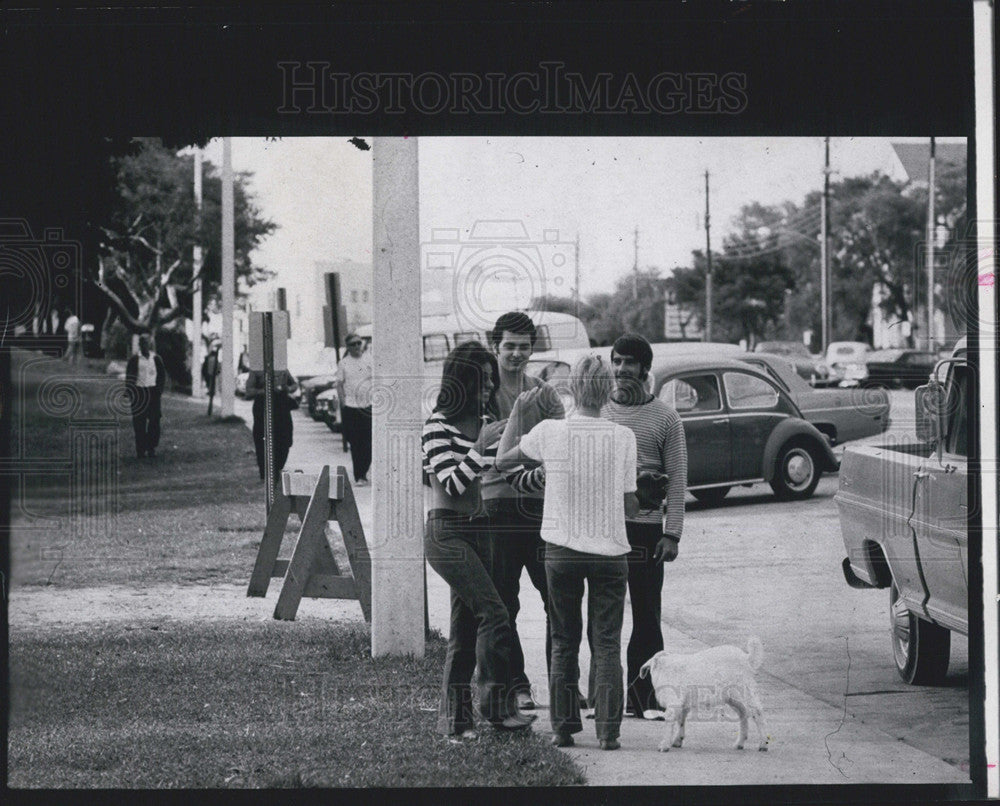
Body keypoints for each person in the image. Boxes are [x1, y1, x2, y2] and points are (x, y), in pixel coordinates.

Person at [497, 355, 639, 750]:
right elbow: (631, 505)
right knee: (607, 642)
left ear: (572, 389)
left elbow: (501, 460)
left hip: (560, 550)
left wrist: (516, 413)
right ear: (609, 390)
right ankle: (608, 732)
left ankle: (563, 728)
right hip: (611, 553)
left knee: (563, 639)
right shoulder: (623, 437)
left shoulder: (550, 432)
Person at [422, 341, 536, 738]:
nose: (488, 388)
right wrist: (480, 445)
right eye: (481, 380)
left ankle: (455, 723)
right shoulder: (437, 425)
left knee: (466, 629)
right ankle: (497, 708)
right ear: (461, 381)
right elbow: (452, 481)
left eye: (491, 381)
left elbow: (499, 473)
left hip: (481, 526)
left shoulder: (484, 420)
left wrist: (532, 473)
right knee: (496, 613)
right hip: (447, 532)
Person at [600, 333, 688, 718]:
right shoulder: (598, 411)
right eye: (617, 361)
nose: (622, 370)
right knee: (603, 616)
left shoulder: (666, 417)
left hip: (647, 530)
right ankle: (603, 697)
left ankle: (643, 698)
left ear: (645, 369)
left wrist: (673, 532)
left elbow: (679, 478)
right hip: (602, 530)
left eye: (630, 363)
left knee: (647, 614)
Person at [481, 311, 565, 711]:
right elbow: (480, 449)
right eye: (509, 346)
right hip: (494, 507)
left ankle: (564, 682)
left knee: (557, 598)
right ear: (494, 345)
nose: (516, 353)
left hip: (541, 508)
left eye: (524, 346)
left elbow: (561, 446)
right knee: (504, 603)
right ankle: (516, 684)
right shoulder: (481, 391)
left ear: (534, 348)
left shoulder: (544, 392)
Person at [245, 366, 299, 484]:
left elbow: (294, 385)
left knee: (285, 438)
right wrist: (266, 390)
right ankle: (265, 472)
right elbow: (249, 390)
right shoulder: (256, 369)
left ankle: (278, 467)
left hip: (281, 404)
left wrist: (287, 388)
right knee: (262, 437)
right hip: (262, 404)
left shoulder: (282, 367)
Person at [335, 333, 373, 486]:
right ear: (348, 347)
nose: (357, 347)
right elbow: (339, 384)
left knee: (368, 442)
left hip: (367, 406)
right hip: (351, 407)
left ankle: (364, 470)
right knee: (355, 442)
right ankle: (360, 475)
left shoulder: (369, 359)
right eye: (353, 344)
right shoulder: (344, 363)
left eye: (359, 343)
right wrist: (343, 401)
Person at [125, 334, 166, 458]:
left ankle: (151, 446)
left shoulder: (156, 359)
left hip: (153, 392)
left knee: (154, 421)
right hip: (139, 392)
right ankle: (141, 449)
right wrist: (130, 391)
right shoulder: (135, 359)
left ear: (150, 344)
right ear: (140, 345)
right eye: (142, 343)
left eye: (147, 343)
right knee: (139, 422)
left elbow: (162, 375)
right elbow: (130, 376)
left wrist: (159, 390)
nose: (145, 346)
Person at [201, 340, 221, 416]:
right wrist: (217, 373)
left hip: (208, 374)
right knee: (212, 384)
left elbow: (204, 367)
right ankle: (212, 392)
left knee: (209, 384)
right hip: (213, 374)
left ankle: (211, 392)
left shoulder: (208, 358)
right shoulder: (215, 359)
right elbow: (218, 368)